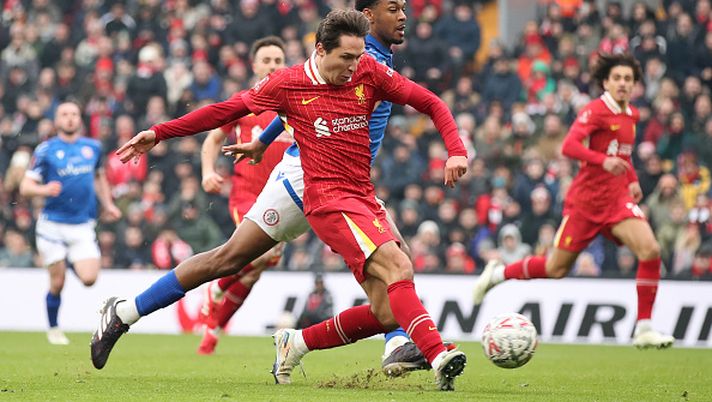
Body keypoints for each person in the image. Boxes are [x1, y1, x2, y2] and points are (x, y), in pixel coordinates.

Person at [94, 9, 468, 391]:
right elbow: (231, 109)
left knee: (390, 297)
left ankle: (307, 341)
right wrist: (159, 132)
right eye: (394, 7)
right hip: (304, 180)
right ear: (321, 50)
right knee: (232, 259)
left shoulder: (371, 67)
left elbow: (429, 102)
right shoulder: (294, 80)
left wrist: (455, 149)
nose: (355, 67)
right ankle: (126, 312)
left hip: (354, 189)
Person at [199, 0, 428, 374]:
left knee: (392, 263)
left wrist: (262, 139)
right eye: (394, 9)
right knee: (241, 258)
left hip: (345, 176)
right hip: (311, 173)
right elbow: (295, 100)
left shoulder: (370, 58)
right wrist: (220, 159)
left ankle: (377, 340)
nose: (403, 16)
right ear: (369, 17)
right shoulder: (358, 57)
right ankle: (400, 341)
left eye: (404, 8)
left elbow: (294, 102)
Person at [472, 53, 674, 349]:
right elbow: (569, 146)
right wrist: (602, 161)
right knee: (556, 269)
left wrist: (631, 180)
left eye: (628, 79)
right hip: (586, 203)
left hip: (617, 200)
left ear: (634, 85)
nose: (622, 83)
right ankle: (499, 273)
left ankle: (644, 328)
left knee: (650, 250)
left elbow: (623, 154)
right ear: (606, 82)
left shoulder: (632, 114)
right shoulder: (595, 110)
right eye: (617, 78)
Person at [197, 36, 292, 354]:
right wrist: (208, 171)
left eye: (278, 61)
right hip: (247, 194)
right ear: (254, 65)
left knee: (256, 271)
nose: (272, 66)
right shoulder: (244, 102)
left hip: (285, 196)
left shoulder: (293, 104)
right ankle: (217, 288)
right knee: (259, 255)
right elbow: (212, 140)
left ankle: (214, 327)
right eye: (266, 60)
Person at [20, 101, 121, 345]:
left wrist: (108, 204)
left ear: (80, 119)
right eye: (64, 114)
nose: (70, 119)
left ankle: (68, 260)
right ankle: (54, 328)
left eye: (74, 114)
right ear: (57, 120)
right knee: (57, 282)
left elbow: (99, 177)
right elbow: (25, 187)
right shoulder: (46, 150)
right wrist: (44, 189)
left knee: (89, 279)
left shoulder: (92, 147)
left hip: (82, 225)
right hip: (52, 226)